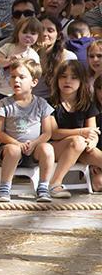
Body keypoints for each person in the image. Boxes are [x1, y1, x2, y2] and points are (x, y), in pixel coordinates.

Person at [0, 58, 55, 203]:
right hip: (8, 150)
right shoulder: (4, 103)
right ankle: (4, 188)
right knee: (13, 151)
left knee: (47, 148)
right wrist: (16, 144)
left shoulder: (41, 104)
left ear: (34, 82)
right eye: (13, 76)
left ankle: (43, 187)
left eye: (22, 77)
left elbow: (47, 133)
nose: (16, 80)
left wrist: (34, 144)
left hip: (33, 150)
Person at [45, 60, 102, 197]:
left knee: (87, 148)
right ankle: (54, 184)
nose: (67, 81)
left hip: (81, 149)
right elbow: (53, 133)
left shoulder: (87, 104)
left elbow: (93, 132)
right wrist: (81, 133)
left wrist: (91, 143)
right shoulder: (50, 103)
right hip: (55, 147)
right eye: (63, 76)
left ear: (81, 81)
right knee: (77, 141)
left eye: (74, 77)